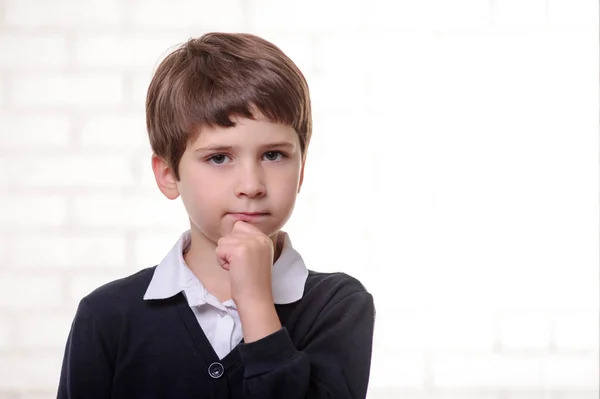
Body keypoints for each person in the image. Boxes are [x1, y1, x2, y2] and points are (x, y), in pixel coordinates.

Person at [57, 32, 375, 399]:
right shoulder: (107, 316)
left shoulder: (338, 306)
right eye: (219, 158)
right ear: (168, 175)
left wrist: (256, 302)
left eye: (274, 155)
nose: (252, 185)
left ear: (301, 171)